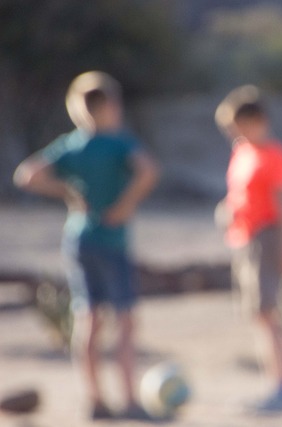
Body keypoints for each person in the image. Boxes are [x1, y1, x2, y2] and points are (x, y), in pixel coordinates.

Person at [13, 71, 159, 421]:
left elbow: (27, 175)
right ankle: (129, 399)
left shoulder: (72, 144)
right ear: (108, 105)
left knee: (88, 319)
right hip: (112, 240)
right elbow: (149, 170)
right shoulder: (118, 141)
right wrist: (125, 206)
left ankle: (94, 399)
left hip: (78, 237)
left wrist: (66, 192)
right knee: (124, 321)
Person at [215, 85, 282, 413]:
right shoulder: (241, 151)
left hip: (268, 237)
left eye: (238, 126)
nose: (235, 134)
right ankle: (274, 383)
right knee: (258, 315)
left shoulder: (274, 155)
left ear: (255, 120)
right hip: (245, 238)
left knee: (268, 313)